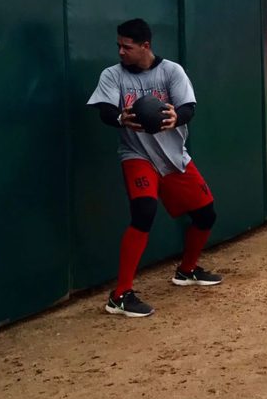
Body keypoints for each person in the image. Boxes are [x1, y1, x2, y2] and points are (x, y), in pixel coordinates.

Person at [87, 19, 223, 318]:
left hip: (173, 156)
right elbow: (105, 111)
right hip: (137, 154)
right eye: (118, 46)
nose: (121, 51)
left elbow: (189, 106)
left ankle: (187, 271)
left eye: (127, 46)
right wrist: (120, 118)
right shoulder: (113, 75)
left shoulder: (171, 71)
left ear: (145, 45)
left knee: (206, 214)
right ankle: (120, 295)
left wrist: (178, 117)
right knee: (144, 212)